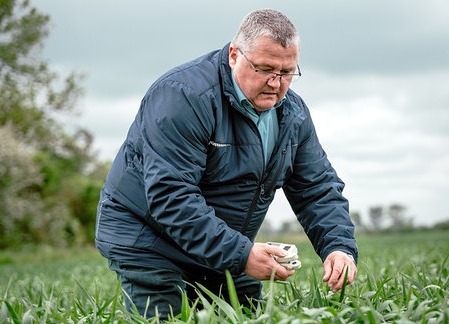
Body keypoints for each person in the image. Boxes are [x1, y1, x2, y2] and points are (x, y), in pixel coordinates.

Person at [95, 8, 358, 320]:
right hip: (149, 242)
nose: (276, 83)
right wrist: (242, 254)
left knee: (248, 317)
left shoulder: (293, 115)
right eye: (264, 69)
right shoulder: (183, 96)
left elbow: (316, 188)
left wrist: (338, 246)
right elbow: (171, 196)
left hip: (221, 245)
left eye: (287, 72)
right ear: (234, 55)